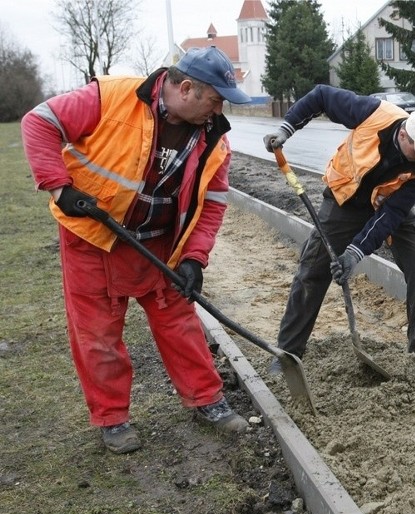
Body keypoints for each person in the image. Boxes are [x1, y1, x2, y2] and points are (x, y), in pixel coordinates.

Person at [20, 46, 252, 454]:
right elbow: (39, 122)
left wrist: (195, 258)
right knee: (98, 330)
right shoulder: (111, 97)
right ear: (186, 88)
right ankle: (113, 419)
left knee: (179, 320)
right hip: (93, 236)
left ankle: (207, 399)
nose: (218, 111)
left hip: (160, 244)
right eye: (215, 100)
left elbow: (212, 205)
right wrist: (59, 186)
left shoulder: (214, 139)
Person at [263, 85, 415, 366]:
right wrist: (287, 129)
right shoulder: (373, 113)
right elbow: (321, 96)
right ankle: (288, 353)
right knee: (313, 269)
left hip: (388, 203)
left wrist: (355, 253)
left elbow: (394, 212)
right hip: (345, 199)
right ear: (404, 134)